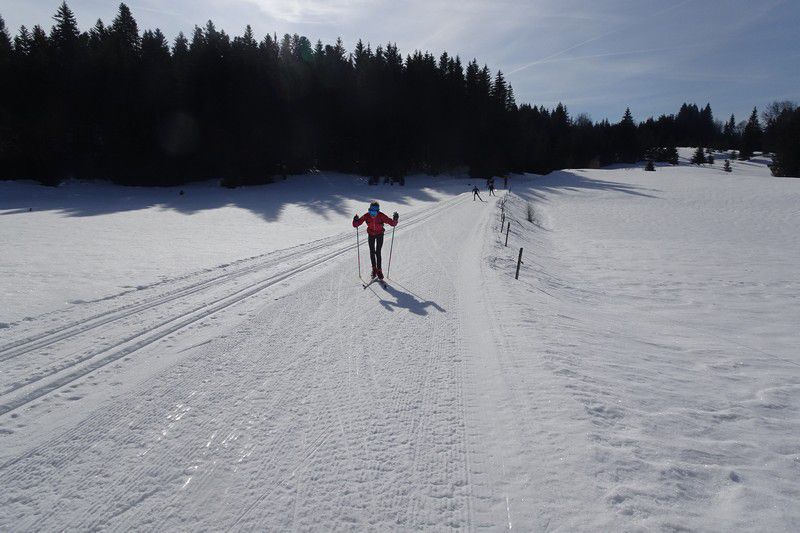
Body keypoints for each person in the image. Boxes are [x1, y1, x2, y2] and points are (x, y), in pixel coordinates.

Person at [353, 201, 398, 280]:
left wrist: (395, 219)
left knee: (378, 252)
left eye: (374, 212)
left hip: (380, 234)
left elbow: (392, 223)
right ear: (369, 210)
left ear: (378, 211)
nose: (372, 214)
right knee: (372, 251)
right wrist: (355, 220)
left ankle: (379, 270)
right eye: (371, 211)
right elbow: (356, 224)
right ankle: (374, 269)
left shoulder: (381, 216)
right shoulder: (366, 216)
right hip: (371, 234)